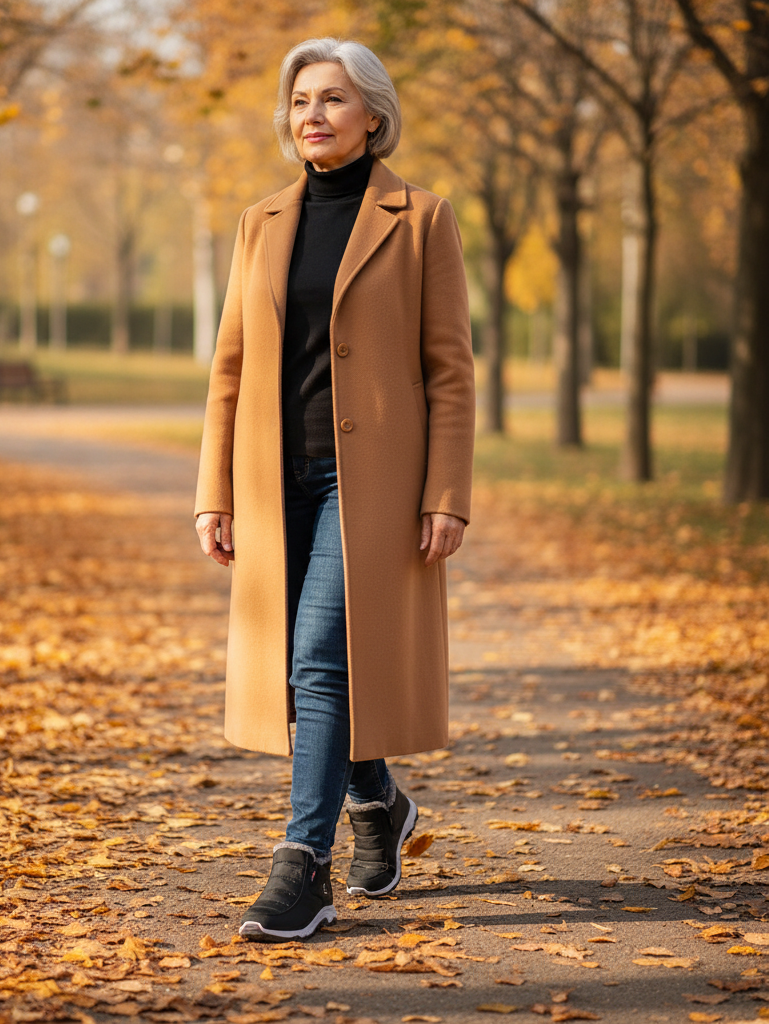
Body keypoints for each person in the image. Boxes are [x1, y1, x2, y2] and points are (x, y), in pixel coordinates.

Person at [194, 37, 475, 942]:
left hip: (376, 486)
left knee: (317, 659)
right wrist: (214, 490)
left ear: (374, 116)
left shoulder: (421, 218)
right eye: (301, 99)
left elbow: (449, 372)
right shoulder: (260, 222)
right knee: (307, 664)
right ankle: (377, 801)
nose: (311, 113)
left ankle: (300, 865)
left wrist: (445, 493)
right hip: (279, 482)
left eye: (333, 99)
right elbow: (230, 367)